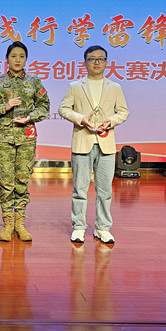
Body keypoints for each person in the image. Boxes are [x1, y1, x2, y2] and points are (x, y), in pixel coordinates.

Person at [58, 45, 129, 245]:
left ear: (106, 62)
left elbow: (123, 111)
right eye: (92, 58)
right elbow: (64, 108)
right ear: (85, 62)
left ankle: (103, 228)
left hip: (106, 143)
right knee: (80, 189)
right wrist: (81, 119)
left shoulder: (115, 87)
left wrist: (111, 121)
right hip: (83, 141)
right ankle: (79, 227)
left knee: (105, 190)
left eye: (100, 59)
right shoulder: (75, 86)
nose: (96, 62)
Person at [0, 41, 49, 242]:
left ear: (26, 59)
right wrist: (5, 106)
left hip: (26, 137)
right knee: (5, 181)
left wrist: (30, 117)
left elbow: (44, 107)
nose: (17, 60)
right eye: (13, 56)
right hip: (3, 138)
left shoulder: (34, 81)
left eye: (21, 56)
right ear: (7, 59)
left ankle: (20, 224)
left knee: (22, 180)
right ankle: (7, 224)